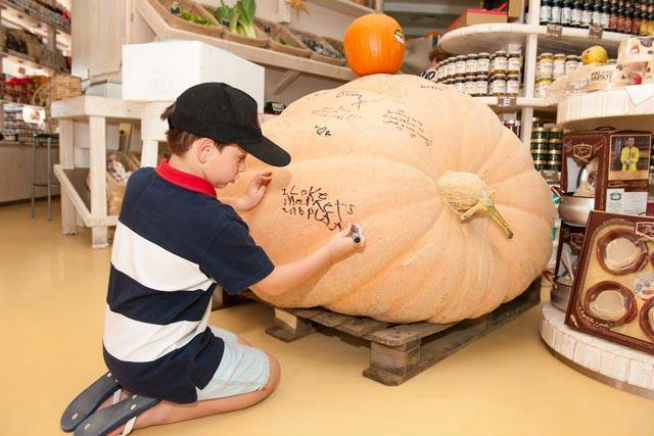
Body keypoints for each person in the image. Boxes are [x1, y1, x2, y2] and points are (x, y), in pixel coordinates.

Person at [61, 83, 365, 436]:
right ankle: (154, 412)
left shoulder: (142, 181)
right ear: (205, 150)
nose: (242, 169)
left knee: (240, 343)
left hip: (121, 346)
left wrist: (242, 204)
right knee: (269, 373)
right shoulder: (215, 225)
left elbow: (183, 212)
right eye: (240, 158)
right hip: (160, 359)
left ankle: (132, 384)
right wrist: (332, 252)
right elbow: (274, 284)